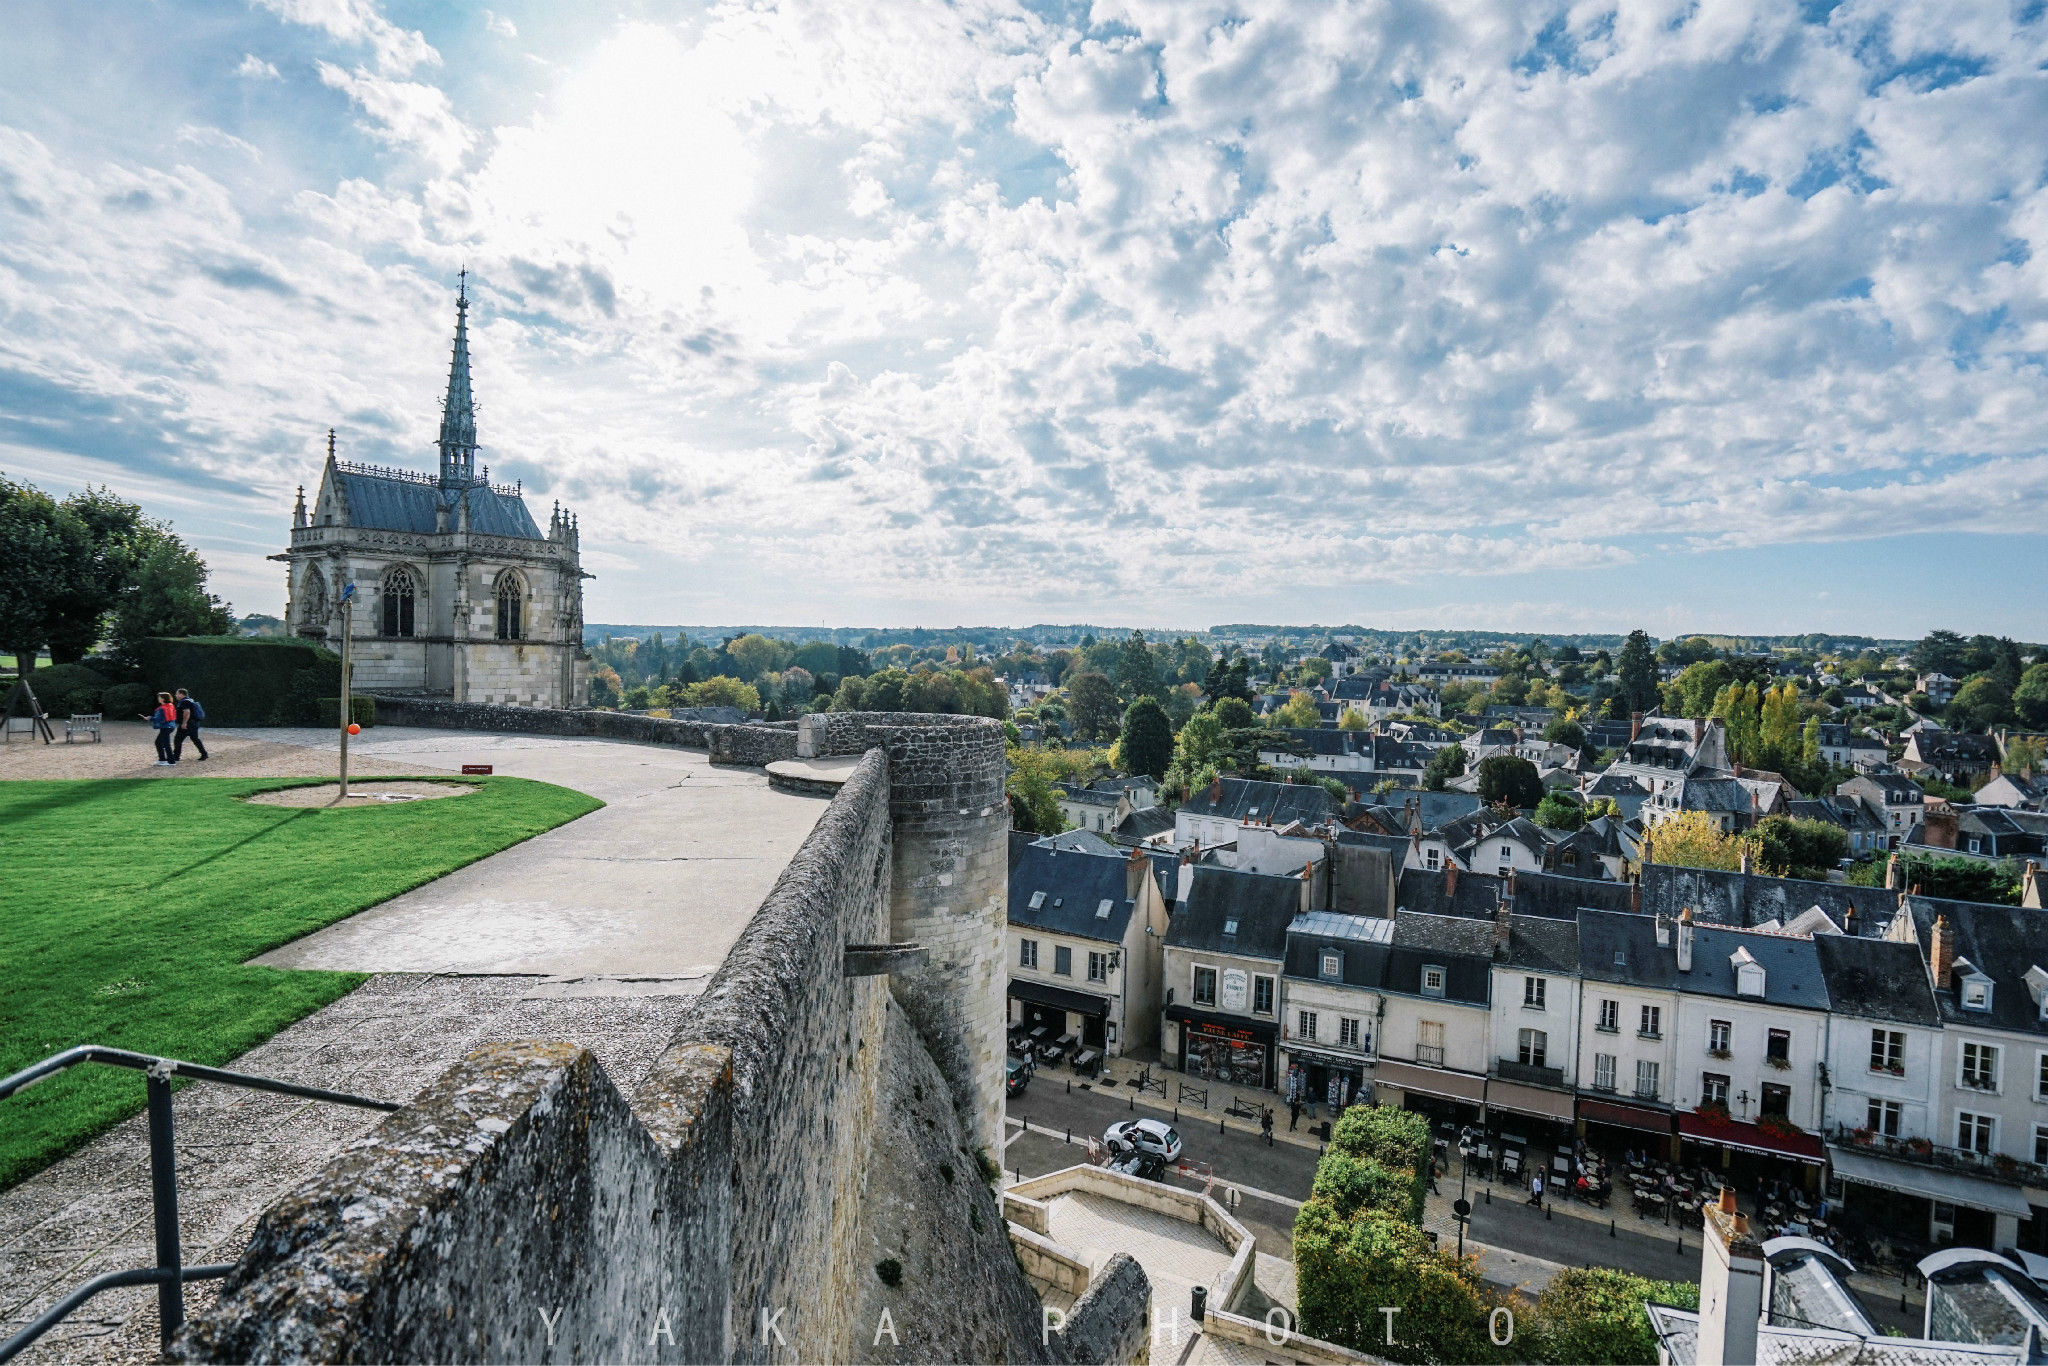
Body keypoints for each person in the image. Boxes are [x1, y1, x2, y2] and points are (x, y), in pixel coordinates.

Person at [173, 688, 208, 762]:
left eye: (177, 693)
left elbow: (187, 712)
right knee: (195, 739)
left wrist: (184, 723)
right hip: (193, 723)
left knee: (178, 740)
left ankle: (176, 756)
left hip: (188, 724)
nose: (176, 695)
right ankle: (204, 754)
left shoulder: (185, 702)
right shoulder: (189, 700)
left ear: (181, 694)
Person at [149, 692, 177, 766]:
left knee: (162, 743)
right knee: (161, 743)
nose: (158, 698)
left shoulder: (162, 708)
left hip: (165, 727)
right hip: (171, 726)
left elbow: (159, 719)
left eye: (159, 697)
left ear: (163, 699)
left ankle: (170, 761)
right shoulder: (171, 705)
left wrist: (149, 718)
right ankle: (163, 760)